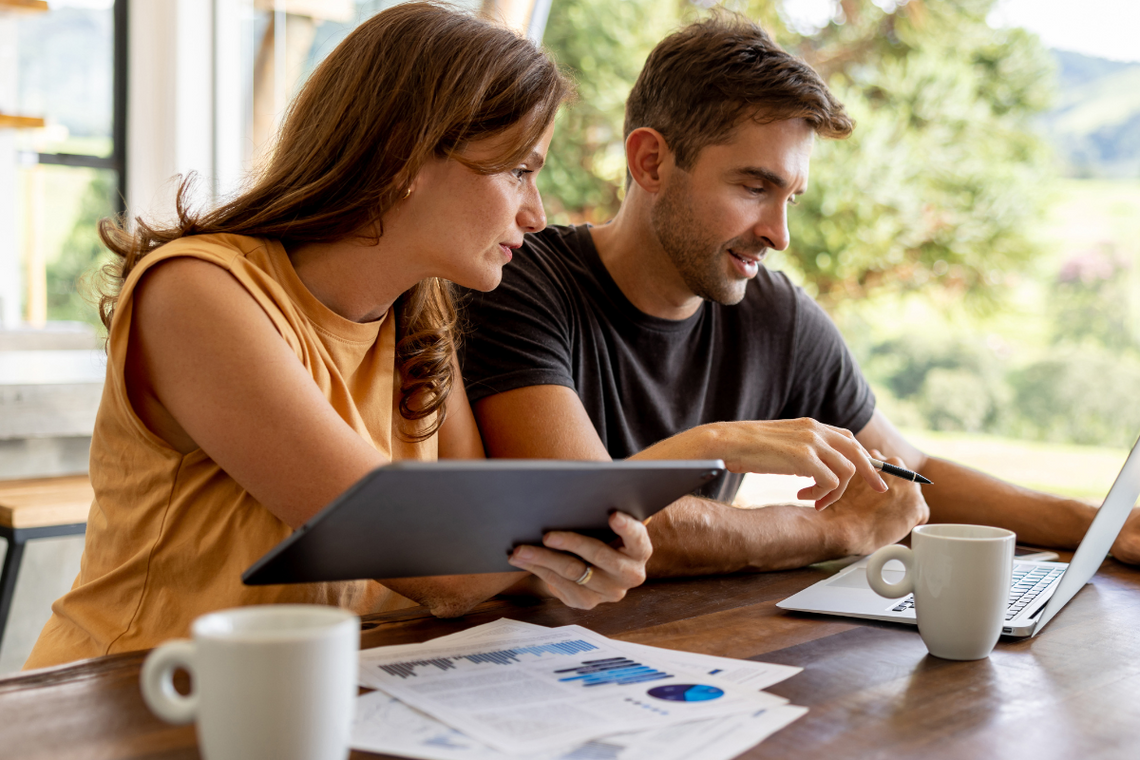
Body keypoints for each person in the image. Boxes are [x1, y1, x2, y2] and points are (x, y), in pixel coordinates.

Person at [24, 3, 658, 670]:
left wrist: (588, 557)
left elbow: (474, 540)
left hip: (306, 696)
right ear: (402, 155)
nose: (535, 213)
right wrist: (678, 462)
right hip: (128, 700)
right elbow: (439, 566)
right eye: (517, 172)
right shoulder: (196, 293)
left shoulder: (419, 318)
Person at [459, 13, 1140, 578]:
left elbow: (909, 470)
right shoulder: (518, 279)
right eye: (754, 187)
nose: (779, 234)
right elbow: (581, 513)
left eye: (791, 197)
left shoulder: (774, 315)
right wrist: (827, 530)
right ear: (651, 161)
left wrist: (1098, 526)